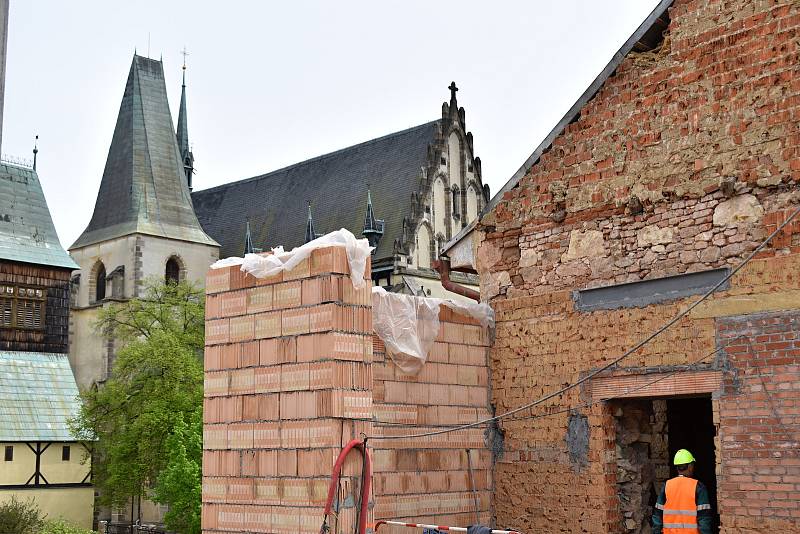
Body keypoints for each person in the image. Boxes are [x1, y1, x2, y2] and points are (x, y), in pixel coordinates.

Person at [652, 449, 713, 534]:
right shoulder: (698, 487)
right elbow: (704, 520)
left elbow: (657, 516)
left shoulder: (667, 486)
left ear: (677, 467)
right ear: (690, 466)